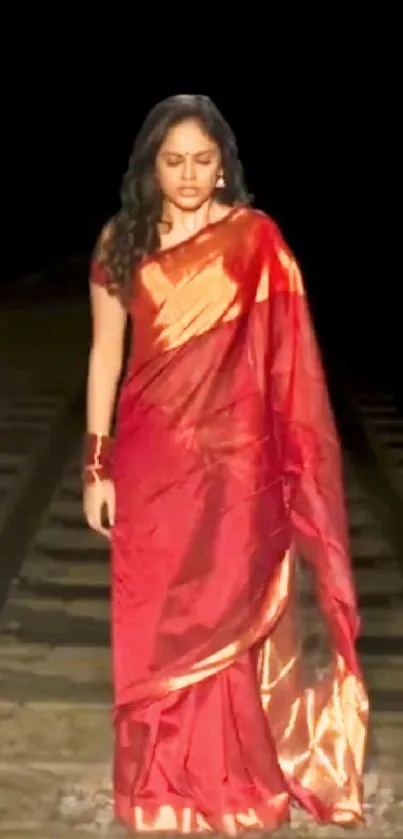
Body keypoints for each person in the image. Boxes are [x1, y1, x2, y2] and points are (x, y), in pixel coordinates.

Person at [83, 94, 369, 835]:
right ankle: (156, 785)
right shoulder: (122, 242)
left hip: (234, 466)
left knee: (227, 614)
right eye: (171, 161)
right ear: (149, 165)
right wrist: (95, 464)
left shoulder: (255, 242)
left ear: (223, 166)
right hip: (150, 465)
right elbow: (106, 354)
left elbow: (285, 358)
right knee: (153, 625)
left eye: (201, 161)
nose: (186, 174)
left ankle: (233, 782)